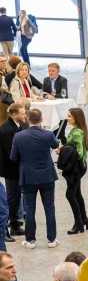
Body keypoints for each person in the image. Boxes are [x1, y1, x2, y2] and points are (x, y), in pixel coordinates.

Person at [10, 108, 58, 249]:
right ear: (41, 118)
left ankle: (30, 240)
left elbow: (13, 157)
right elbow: (55, 144)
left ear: (28, 119)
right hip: (47, 176)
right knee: (49, 208)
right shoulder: (48, 135)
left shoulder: (19, 136)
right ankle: (51, 239)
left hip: (28, 177)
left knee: (29, 209)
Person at [56, 108, 88, 235]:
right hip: (79, 167)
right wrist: (65, 148)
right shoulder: (79, 131)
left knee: (70, 195)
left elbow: (79, 152)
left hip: (76, 169)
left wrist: (65, 151)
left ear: (76, 118)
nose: (67, 118)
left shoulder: (77, 133)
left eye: (70, 116)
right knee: (77, 194)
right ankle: (84, 220)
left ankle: (78, 224)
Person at [0, 102, 24, 238]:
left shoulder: (17, 126)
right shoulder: (6, 130)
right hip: (11, 169)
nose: (24, 115)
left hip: (16, 168)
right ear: (14, 114)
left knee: (16, 196)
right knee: (12, 198)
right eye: (22, 113)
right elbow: (11, 154)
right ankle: (9, 227)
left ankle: (15, 224)